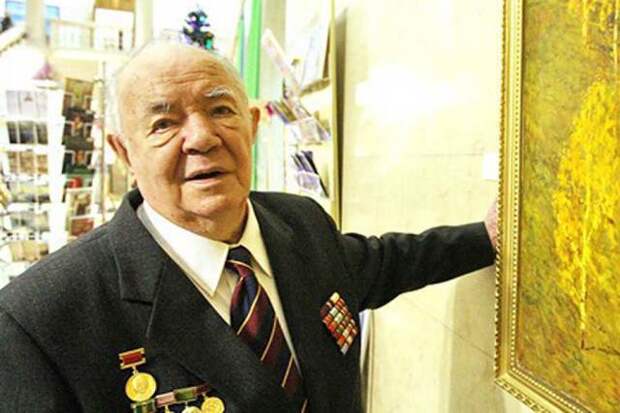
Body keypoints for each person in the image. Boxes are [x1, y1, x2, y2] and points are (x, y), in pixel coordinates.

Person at [0, 41, 497, 413]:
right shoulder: (40, 318)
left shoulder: (301, 223)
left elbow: (387, 263)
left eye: (220, 110)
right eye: (164, 123)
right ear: (124, 151)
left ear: (253, 124)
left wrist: (489, 236)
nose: (202, 138)